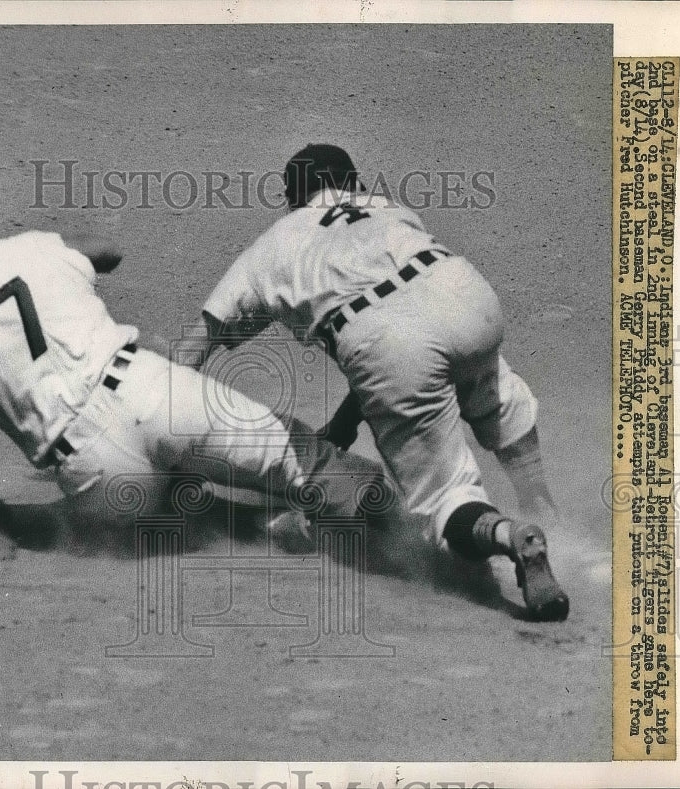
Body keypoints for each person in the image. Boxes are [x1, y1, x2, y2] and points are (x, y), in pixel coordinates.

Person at [0, 184, 384, 546]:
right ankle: (415, 536)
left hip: (94, 469)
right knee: (314, 467)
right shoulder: (29, 247)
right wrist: (47, 250)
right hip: (151, 391)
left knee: (185, 514)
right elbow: (110, 250)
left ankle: (264, 527)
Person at [178, 144, 569, 621]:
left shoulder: (271, 246)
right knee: (496, 397)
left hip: (385, 341)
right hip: (464, 292)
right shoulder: (388, 206)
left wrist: (164, 424)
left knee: (447, 498)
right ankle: (545, 508)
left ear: (292, 197)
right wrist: (342, 427)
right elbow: (410, 325)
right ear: (352, 184)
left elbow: (194, 348)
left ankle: (511, 535)